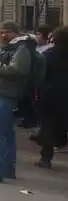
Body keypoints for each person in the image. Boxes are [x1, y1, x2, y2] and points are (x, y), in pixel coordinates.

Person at [0, 21, 35, 183]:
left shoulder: (21, 49)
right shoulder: (12, 47)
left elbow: (16, 70)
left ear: (16, 32)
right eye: (2, 32)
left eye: (8, 32)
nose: (4, 35)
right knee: (6, 132)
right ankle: (7, 168)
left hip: (6, 95)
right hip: (1, 93)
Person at [35, 26, 68, 169]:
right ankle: (61, 141)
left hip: (49, 93)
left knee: (48, 124)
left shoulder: (48, 54)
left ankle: (46, 157)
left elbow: (40, 75)